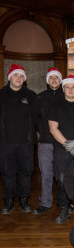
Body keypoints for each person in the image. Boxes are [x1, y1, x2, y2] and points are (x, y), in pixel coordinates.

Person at [48, 75, 74, 224]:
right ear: (63, 88)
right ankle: (64, 207)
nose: (70, 89)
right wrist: (67, 144)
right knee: (62, 179)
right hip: (62, 150)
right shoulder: (55, 106)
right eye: (67, 87)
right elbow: (53, 129)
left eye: (73, 87)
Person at [0, 63, 37, 214]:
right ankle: (8, 201)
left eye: (22, 76)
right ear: (10, 77)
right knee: (7, 172)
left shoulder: (31, 96)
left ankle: (23, 200)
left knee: (25, 172)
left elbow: (36, 118)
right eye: (16, 75)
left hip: (26, 143)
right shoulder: (1, 94)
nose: (19, 78)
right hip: (5, 142)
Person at [32, 68, 64, 215]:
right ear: (47, 80)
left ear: (60, 80)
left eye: (56, 77)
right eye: (51, 78)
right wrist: (43, 131)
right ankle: (45, 203)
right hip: (45, 141)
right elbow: (36, 118)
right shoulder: (40, 97)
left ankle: (64, 203)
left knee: (62, 174)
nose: (54, 80)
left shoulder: (66, 96)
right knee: (46, 174)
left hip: (63, 142)